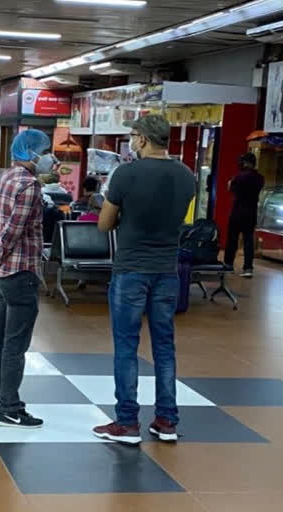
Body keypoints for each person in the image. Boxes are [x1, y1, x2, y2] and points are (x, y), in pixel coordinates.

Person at [92, 115, 195, 445]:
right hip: (167, 270)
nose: (131, 142)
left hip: (131, 270)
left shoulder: (126, 174)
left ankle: (127, 423)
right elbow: (179, 218)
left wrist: (125, 213)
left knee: (126, 345)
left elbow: (105, 225)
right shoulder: (186, 175)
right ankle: (167, 421)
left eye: (133, 136)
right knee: (165, 346)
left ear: (143, 140)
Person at [0, 129, 58, 429]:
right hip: (20, 272)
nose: (50, 156)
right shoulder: (29, 186)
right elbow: (15, 230)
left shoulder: (4, 179)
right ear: (32, 152)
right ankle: (11, 408)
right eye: (46, 150)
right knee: (16, 343)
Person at [224, 153, 264, 279]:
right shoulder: (260, 178)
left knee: (232, 240)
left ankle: (228, 264)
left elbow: (231, 189)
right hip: (251, 213)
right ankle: (248, 268)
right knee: (248, 241)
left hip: (237, 211)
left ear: (245, 162)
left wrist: (231, 184)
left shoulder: (238, 177)